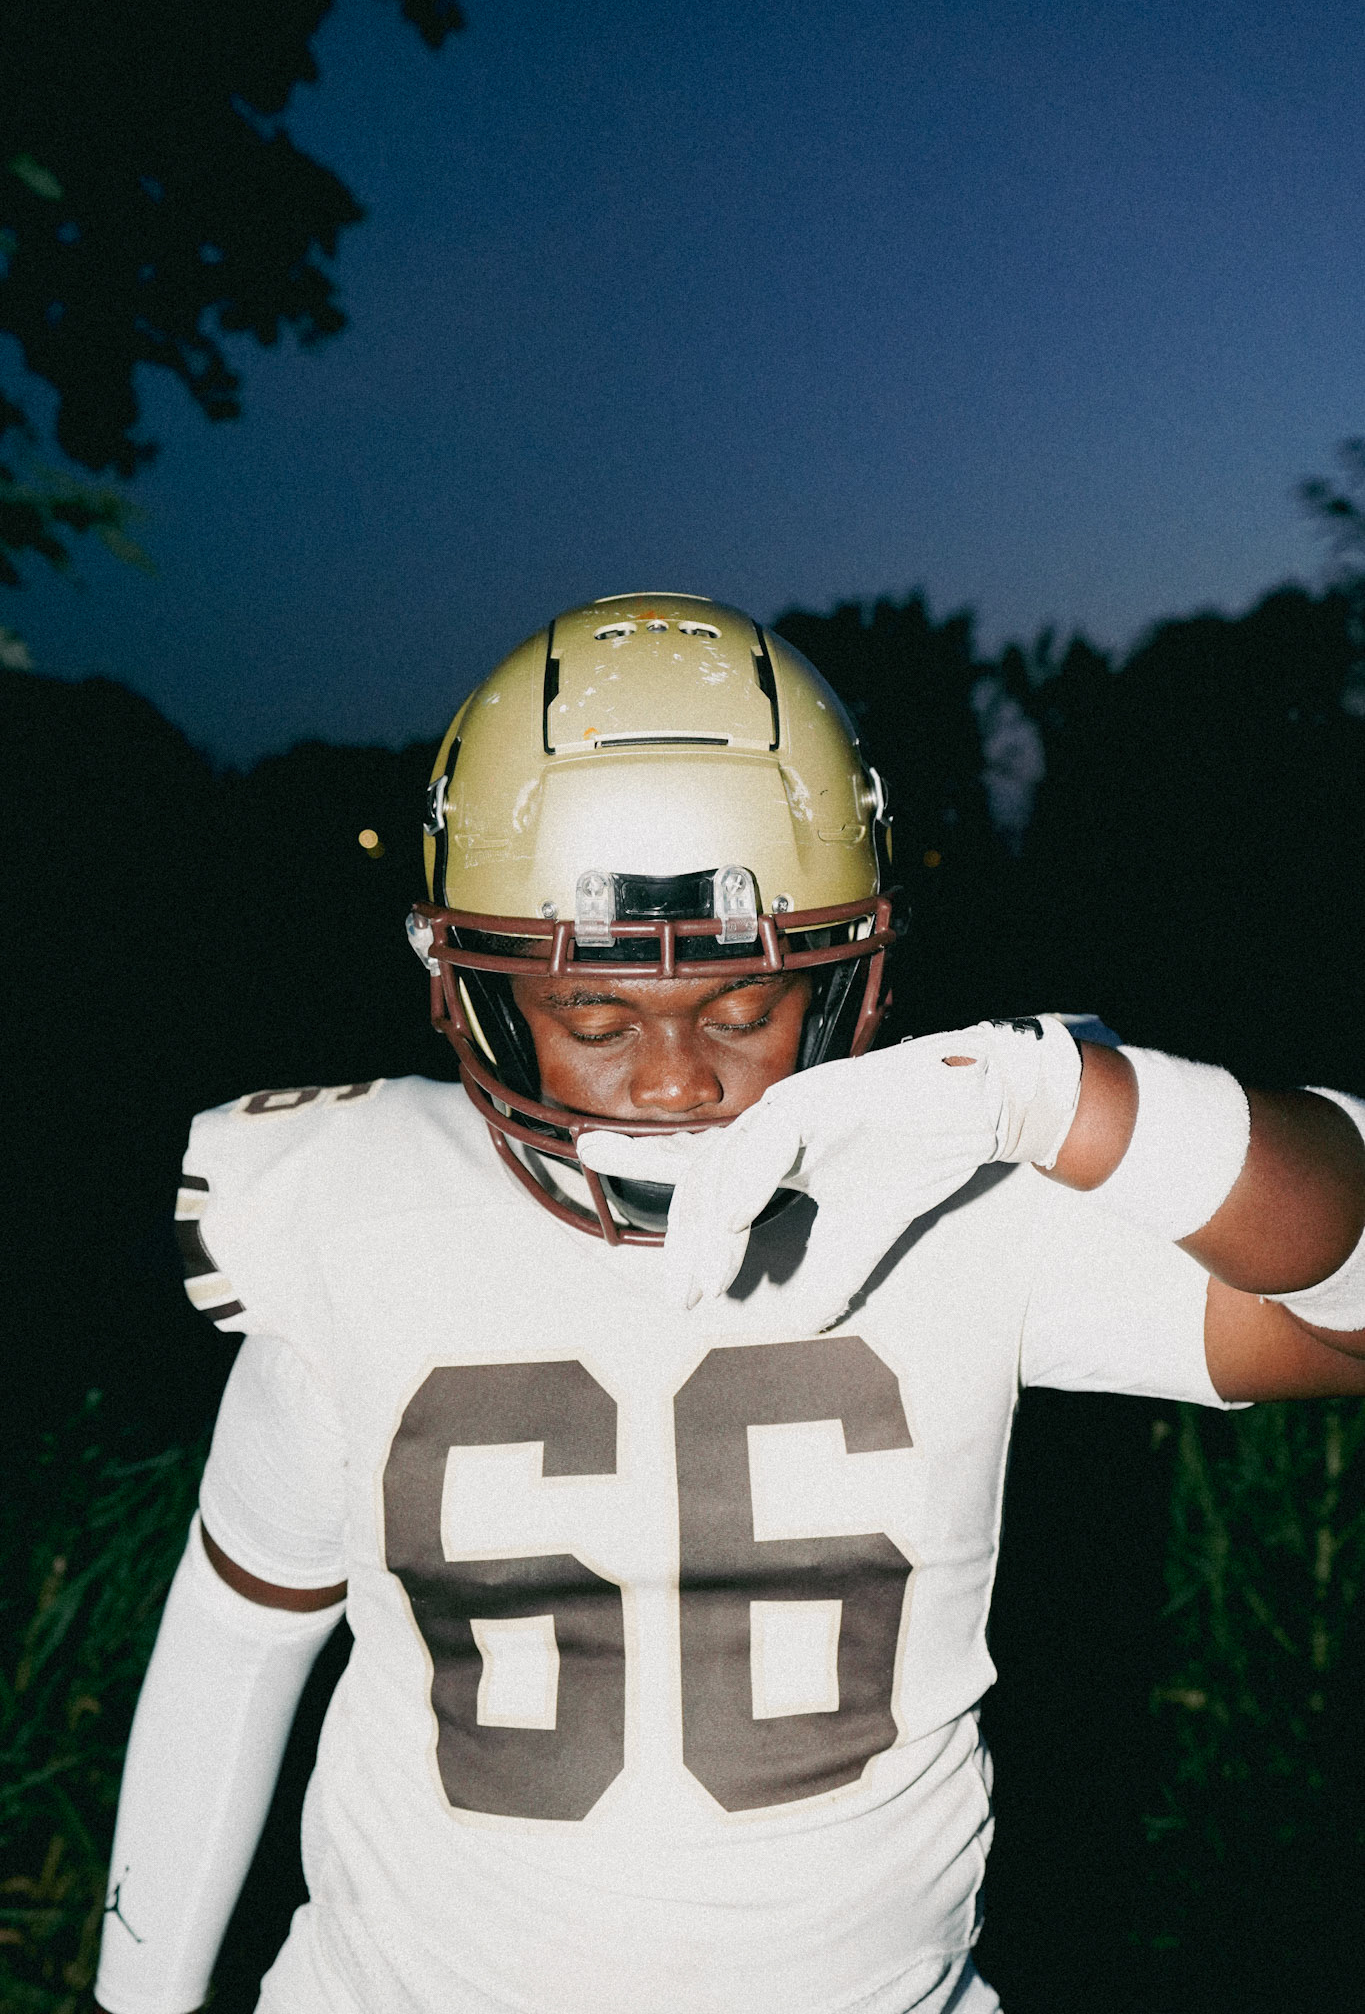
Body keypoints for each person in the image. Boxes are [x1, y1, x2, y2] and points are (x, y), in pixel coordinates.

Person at [94, 594, 1365, 2014]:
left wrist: (1065, 1096)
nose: (674, 1078)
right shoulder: (364, 1215)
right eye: (593, 1019)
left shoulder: (958, 1194)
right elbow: (239, 1635)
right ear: (470, 993)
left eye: (744, 1009)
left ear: (849, 978)